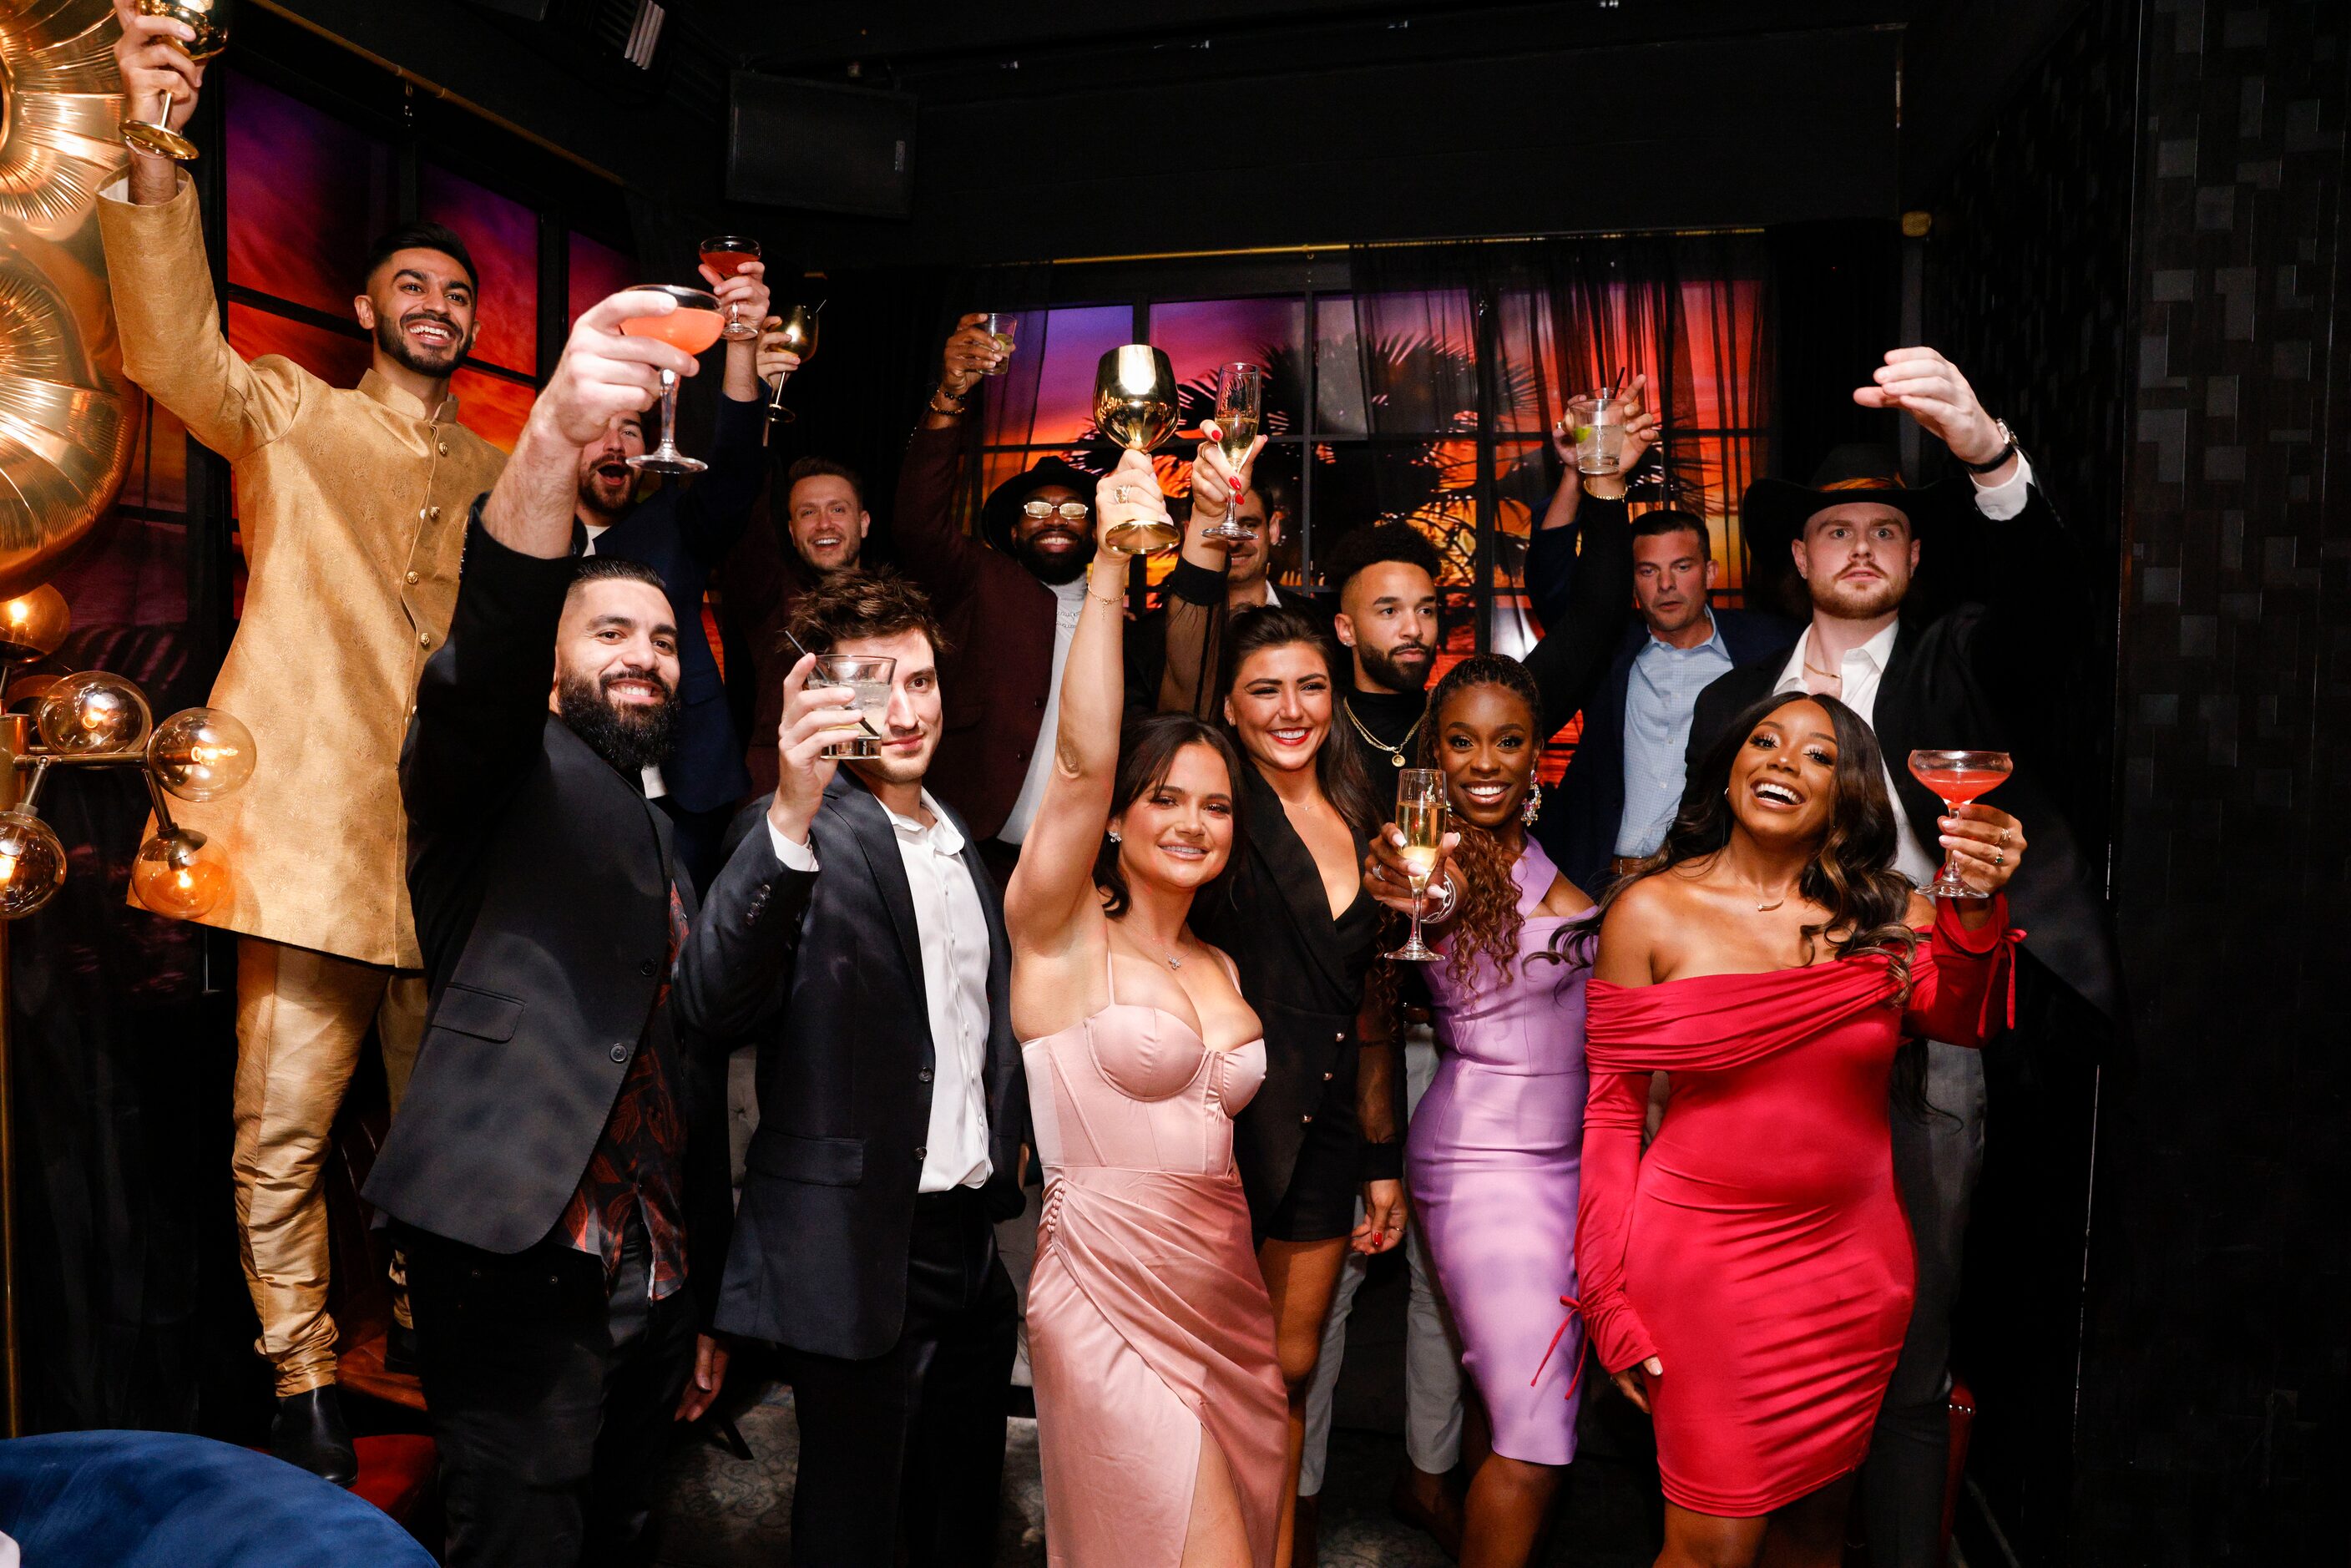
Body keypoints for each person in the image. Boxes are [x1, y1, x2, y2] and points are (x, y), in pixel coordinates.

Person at [103, 0, 509, 1479]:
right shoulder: (285, 415)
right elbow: (171, 343)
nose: (436, 303)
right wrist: (157, 141)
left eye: (455, 291)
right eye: (410, 284)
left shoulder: (501, 474)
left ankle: (439, 1353)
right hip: (312, 845)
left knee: (448, 1139)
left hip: (455, 856)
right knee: (279, 1128)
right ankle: (299, 1384)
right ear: (364, 312)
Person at [1686, 350, 2122, 1566]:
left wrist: (1987, 452)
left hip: (1921, 1044)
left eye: (1887, 529)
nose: (1863, 547)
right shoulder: (1737, 703)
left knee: (1914, 1350)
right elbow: (1689, 863)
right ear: (1800, 557)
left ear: (1919, 557)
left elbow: (2055, 610)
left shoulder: (1959, 664)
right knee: (1761, 1332)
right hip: (1760, 1058)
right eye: (1838, 530)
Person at [364, 290, 741, 1567]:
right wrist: (546, 450)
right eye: (610, 633)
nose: (645, 655)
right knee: (519, 1543)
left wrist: (697, 1289)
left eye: (664, 640)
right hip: (514, 1255)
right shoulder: (486, 773)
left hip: (649, 1269)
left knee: (627, 1531)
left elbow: (685, 1071)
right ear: (553, 662)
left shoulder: (666, 828)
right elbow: (484, 644)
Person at [1576, 690, 2025, 1568]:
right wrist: (1603, 1292)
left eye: (1817, 755)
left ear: (1846, 793)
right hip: (1702, 1270)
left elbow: (1963, 1020)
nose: (1782, 761)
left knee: (1813, 1538)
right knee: (1710, 1544)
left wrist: (1973, 904)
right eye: (1765, 741)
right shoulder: (1650, 912)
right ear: (1731, 765)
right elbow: (1611, 1111)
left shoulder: (1886, 917)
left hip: (1853, 1272)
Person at [671, 570, 1029, 1568]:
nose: (907, 710)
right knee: (852, 1521)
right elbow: (709, 1005)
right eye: (877, 687)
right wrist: (789, 809)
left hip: (966, 1242)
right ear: (829, 701)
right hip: (850, 1242)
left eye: (921, 681)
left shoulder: (963, 840)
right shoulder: (791, 834)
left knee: (958, 1508)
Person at [1007, 450, 1288, 1567]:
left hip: (1228, 1294)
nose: (1192, 820)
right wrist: (1122, 565)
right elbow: (1078, 762)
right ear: (1117, 821)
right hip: (1107, 1290)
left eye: (1215, 806)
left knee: (1251, 1537)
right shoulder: (1066, 935)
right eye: (1164, 798)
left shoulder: (1223, 968)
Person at [1360, 655, 1598, 1568]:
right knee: (1537, 1431)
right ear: (1432, 754)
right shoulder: (1434, 859)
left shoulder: (1530, 852)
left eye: (1506, 741)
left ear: (1536, 752)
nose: (1484, 762)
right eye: (1460, 742)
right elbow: (1417, 889)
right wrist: (1402, 882)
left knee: (1517, 1401)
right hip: (1485, 1166)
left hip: (1571, 1163)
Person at [571, 255, 773, 890]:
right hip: (567, 790)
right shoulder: (531, 535)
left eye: (630, 429)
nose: (615, 445)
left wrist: (740, 343)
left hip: (683, 791)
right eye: (598, 430)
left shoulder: (674, 521)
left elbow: (735, 469)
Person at [895, 315, 1104, 881]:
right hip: (979, 845)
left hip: (1091, 858)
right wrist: (948, 400)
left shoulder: (1115, 615)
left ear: (1094, 533)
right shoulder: (981, 582)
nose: (1054, 519)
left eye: (1073, 510)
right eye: (1036, 511)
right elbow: (918, 524)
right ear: (1013, 534)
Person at [1530, 479, 1797, 892]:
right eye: (1648, 571)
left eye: (1682, 567)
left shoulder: (1768, 648)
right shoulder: (1607, 651)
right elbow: (1551, 578)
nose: (1666, 585)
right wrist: (1570, 475)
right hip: (1600, 882)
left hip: (1711, 890)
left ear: (1709, 572)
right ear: (1631, 582)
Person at [1129, 466, 1290, 714]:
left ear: (1273, 529)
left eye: (1249, 525)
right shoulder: (1148, 638)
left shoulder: (1316, 622)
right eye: (1220, 526)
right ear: (1189, 533)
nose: (1234, 541)